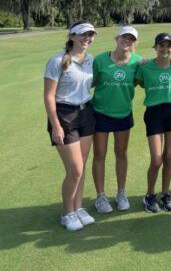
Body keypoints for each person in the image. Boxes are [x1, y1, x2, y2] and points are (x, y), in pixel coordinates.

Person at [44, 21, 97, 231]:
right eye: (83, 35)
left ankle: (77, 207)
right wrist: (55, 125)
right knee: (74, 169)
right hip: (64, 115)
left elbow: (88, 83)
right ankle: (67, 213)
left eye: (90, 35)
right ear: (72, 36)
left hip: (86, 113)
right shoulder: (57, 61)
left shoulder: (90, 59)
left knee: (81, 167)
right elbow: (49, 96)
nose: (87, 38)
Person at [91, 26, 142, 214]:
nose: (126, 40)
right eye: (124, 37)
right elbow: (90, 83)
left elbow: (140, 81)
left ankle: (121, 193)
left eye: (131, 38)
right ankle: (101, 196)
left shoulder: (138, 61)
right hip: (100, 112)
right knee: (100, 154)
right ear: (117, 38)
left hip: (123, 113)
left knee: (121, 153)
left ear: (134, 42)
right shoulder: (100, 60)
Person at [135, 33, 171, 213]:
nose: (165, 49)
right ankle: (149, 195)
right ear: (155, 47)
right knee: (156, 160)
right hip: (154, 112)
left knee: (169, 156)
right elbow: (140, 82)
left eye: (168, 46)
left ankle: (165, 194)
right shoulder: (145, 67)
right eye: (161, 46)